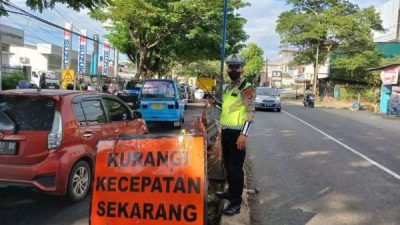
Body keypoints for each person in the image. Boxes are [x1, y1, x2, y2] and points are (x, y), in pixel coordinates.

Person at [215, 54, 255, 216]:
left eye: (236, 67)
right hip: (226, 132)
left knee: (235, 169)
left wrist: (244, 135)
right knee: (227, 165)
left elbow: (250, 113)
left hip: (238, 134)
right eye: (230, 67)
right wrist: (215, 104)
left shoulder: (247, 87)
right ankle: (231, 193)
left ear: (242, 69)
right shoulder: (227, 87)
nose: (232, 70)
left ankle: (236, 202)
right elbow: (227, 109)